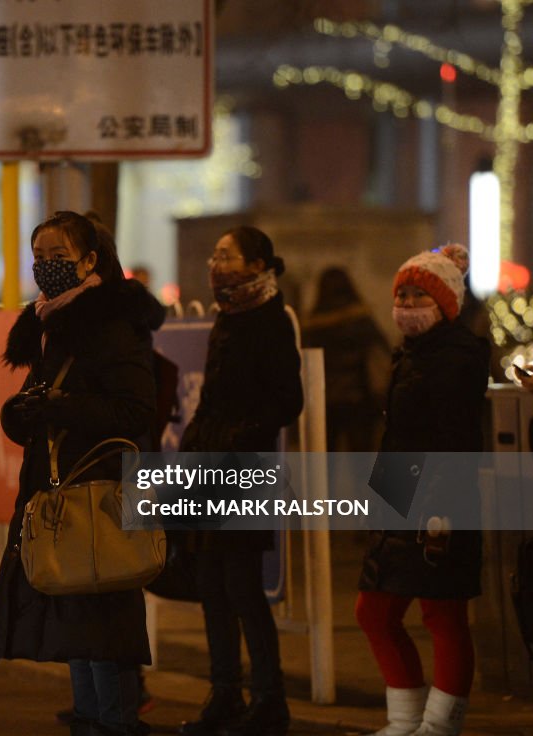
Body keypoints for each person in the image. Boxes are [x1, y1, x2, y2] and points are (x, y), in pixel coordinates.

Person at [0, 210, 165, 736]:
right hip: (62, 490)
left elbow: (134, 411)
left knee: (103, 626)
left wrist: (58, 408)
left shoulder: (108, 323)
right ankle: (92, 721)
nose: (46, 268)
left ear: (89, 260)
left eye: (58, 258)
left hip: (102, 494)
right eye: (38, 258)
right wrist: (25, 414)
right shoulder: (51, 320)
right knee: (76, 622)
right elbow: (56, 403)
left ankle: (115, 723)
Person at [355, 244, 488, 736]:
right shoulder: (410, 355)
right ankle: (405, 720)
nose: (408, 303)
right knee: (373, 611)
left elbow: (455, 442)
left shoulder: (455, 359)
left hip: (438, 500)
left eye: (419, 295)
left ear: (446, 304)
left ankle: (438, 725)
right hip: (400, 493)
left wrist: (440, 511)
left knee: (442, 612)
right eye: (402, 293)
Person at [178, 226, 303, 736]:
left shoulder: (270, 321)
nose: (217, 264)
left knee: (243, 587)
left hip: (245, 471)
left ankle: (269, 699)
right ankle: (224, 692)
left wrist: (240, 433)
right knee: (210, 584)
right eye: (215, 256)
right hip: (208, 467)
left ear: (257, 266)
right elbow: (211, 397)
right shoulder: (226, 318)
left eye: (227, 257)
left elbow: (287, 401)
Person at [302, 267, 390, 451]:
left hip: (323, 400)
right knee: (360, 459)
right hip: (360, 399)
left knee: (324, 460)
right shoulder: (361, 319)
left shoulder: (313, 324)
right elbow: (383, 352)